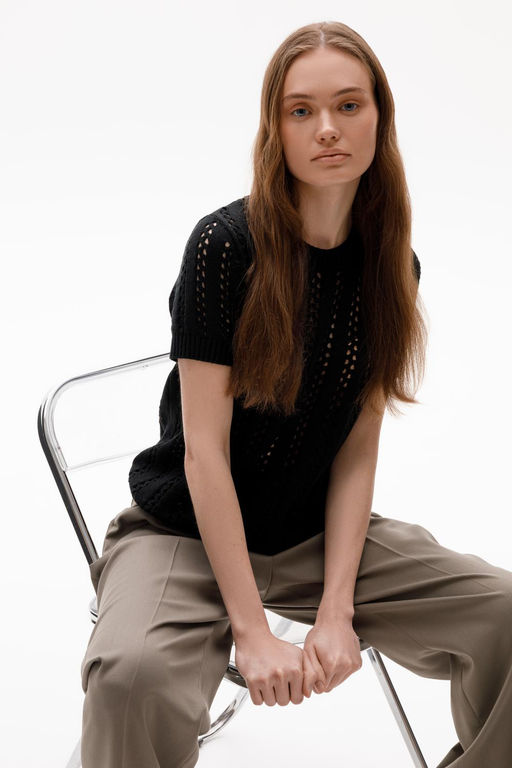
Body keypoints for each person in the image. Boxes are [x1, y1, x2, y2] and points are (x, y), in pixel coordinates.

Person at [79, 21, 512, 768]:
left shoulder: (392, 265)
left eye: (348, 105)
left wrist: (337, 609)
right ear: (274, 129)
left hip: (314, 535)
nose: (327, 128)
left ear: (380, 117)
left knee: (504, 616)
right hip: (187, 530)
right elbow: (204, 455)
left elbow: (356, 450)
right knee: (130, 676)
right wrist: (251, 630)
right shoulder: (223, 247)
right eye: (301, 110)